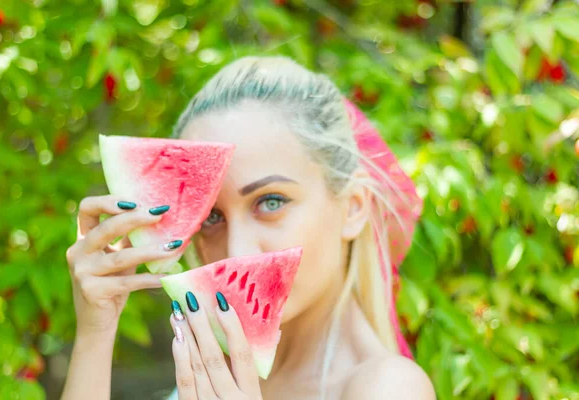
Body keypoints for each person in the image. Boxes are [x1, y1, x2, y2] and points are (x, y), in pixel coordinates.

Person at [61, 56, 435, 400]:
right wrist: (95, 333)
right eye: (211, 217)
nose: (237, 251)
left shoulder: (387, 387)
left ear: (353, 209)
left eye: (271, 202)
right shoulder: (214, 368)